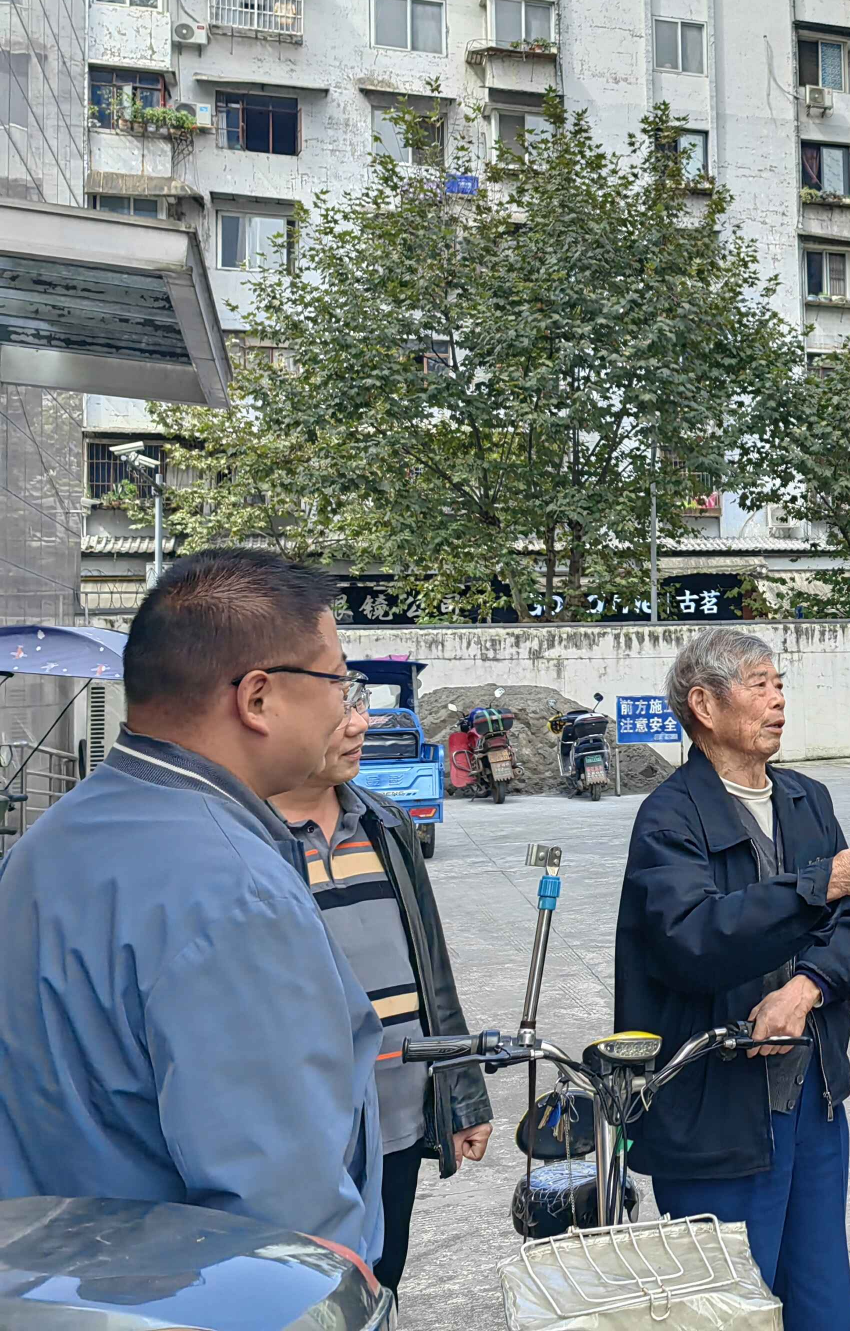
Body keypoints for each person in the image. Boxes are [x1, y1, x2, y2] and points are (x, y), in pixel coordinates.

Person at [0, 549, 385, 1262]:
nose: (347, 706)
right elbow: (283, 1228)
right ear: (257, 698)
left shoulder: (47, 840)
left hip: (45, 1279)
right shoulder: (238, 894)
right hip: (169, 1293)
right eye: (338, 680)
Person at [615, 628, 850, 1331]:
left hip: (812, 1095)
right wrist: (819, 885)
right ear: (704, 705)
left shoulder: (806, 799)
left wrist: (806, 988)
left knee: (820, 1297)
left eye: (780, 685)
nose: (778, 700)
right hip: (715, 1110)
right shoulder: (670, 817)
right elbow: (693, 942)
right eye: (759, 685)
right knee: (728, 1309)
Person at [271, 694, 493, 1293]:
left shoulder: (385, 823)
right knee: (305, 1295)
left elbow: (432, 969)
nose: (360, 724)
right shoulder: (243, 837)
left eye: (358, 702)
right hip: (307, 1130)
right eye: (339, 707)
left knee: (382, 1279)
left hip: (397, 1113)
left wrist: (462, 1095)